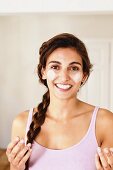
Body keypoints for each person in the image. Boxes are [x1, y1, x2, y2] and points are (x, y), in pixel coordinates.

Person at [6, 33, 113, 170]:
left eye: (73, 68)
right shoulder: (22, 122)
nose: (64, 77)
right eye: (55, 67)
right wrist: (15, 168)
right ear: (43, 71)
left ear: (84, 75)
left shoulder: (104, 122)